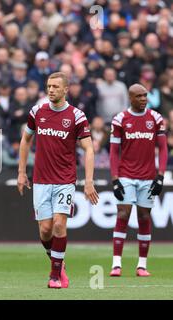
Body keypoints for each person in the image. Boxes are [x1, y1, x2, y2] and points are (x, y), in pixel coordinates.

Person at [17, 72, 99, 289]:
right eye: (48, 86)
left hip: (65, 180)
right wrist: (21, 172)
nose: (50, 90)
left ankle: (54, 275)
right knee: (45, 229)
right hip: (41, 179)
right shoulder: (37, 112)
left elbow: (89, 148)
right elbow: (25, 141)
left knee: (59, 225)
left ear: (65, 89)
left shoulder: (77, 116)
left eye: (55, 86)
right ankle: (58, 263)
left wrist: (88, 180)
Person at [109, 83, 168, 277]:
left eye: (145, 96)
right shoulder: (120, 119)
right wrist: (115, 178)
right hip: (126, 175)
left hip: (148, 177)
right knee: (123, 215)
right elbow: (114, 152)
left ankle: (142, 265)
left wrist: (160, 175)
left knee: (144, 217)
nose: (144, 99)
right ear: (131, 98)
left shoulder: (156, 118)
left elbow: (163, 148)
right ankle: (116, 264)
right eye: (140, 96)